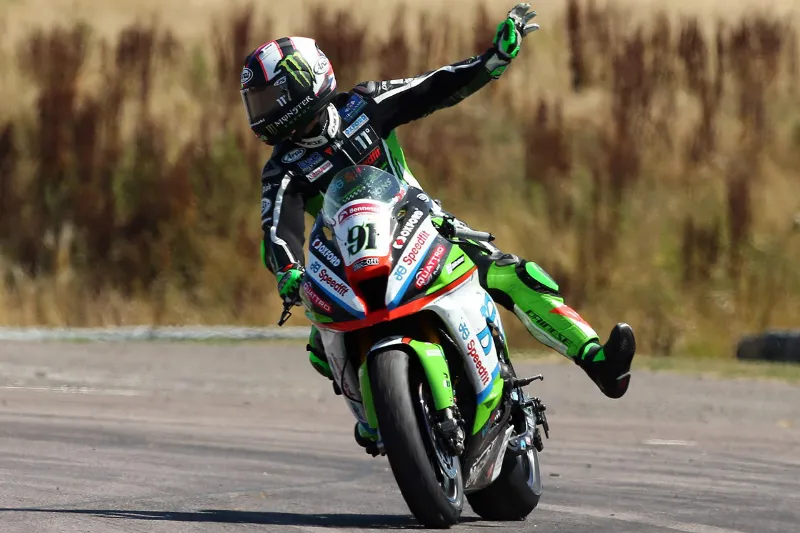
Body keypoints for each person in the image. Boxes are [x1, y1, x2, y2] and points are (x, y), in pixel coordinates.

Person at [240, 3, 636, 452]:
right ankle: (377, 418)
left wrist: (492, 62)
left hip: (424, 226)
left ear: (305, 82)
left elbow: (432, 86)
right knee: (319, 342)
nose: (261, 113)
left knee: (514, 275)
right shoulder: (284, 167)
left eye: (270, 99)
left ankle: (598, 361)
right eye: (257, 103)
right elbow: (277, 228)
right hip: (347, 260)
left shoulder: (364, 106)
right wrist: (289, 270)